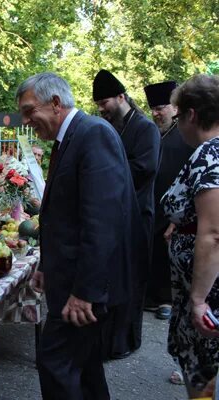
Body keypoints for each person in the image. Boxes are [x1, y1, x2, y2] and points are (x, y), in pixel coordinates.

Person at [18, 72, 141, 400]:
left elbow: (102, 222)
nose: (27, 121)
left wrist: (85, 292)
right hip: (71, 281)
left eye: (30, 111)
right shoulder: (71, 137)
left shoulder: (92, 134)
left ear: (56, 103)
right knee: (84, 365)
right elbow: (65, 215)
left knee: (55, 363)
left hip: (84, 291)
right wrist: (46, 264)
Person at [93, 69, 161, 359]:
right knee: (113, 278)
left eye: (105, 102)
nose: (102, 110)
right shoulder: (114, 125)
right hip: (112, 217)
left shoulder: (145, 129)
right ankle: (107, 339)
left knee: (132, 280)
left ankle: (126, 342)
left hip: (137, 217)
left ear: (122, 97)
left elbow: (144, 170)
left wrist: (103, 176)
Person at [160, 74, 219, 397]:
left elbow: (212, 233)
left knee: (206, 380)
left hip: (209, 296)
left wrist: (198, 300)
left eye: (178, 116)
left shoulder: (210, 155)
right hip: (201, 289)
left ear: (192, 115)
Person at [144, 81, 194, 320]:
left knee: (167, 255)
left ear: (175, 109)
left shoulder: (185, 137)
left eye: (161, 107)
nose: (156, 113)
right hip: (153, 205)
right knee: (151, 253)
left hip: (176, 210)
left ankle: (167, 299)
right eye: (153, 109)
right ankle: (152, 297)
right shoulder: (153, 133)